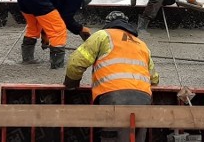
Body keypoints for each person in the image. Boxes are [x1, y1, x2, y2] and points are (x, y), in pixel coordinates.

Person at [63, 10, 159, 142]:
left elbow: (76, 62)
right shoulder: (141, 44)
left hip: (113, 94)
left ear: (108, 23)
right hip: (143, 97)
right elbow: (154, 78)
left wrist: (71, 84)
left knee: (111, 138)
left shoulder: (103, 35)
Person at [16, 0, 93, 69]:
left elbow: (47, 20)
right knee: (58, 29)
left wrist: (45, 37)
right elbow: (66, 19)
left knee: (34, 27)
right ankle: (57, 65)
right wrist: (80, 29)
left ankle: (27, 60)